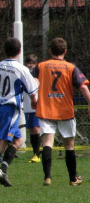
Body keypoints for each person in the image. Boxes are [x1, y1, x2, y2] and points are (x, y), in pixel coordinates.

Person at [32, 37, 90, 186]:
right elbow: (83, 87)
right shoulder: (71, 67)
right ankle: (72, 179)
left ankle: (47, 178)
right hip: (65, 110)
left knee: (47, 143)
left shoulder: (41, 66)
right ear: (65, 51)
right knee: (69, 145)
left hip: (46, 109)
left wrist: (34, 98)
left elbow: (33, 83)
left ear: (50, 51)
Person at [0, 38, 38, 190]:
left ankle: (3, 170)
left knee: (18, 140)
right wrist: (34, 102)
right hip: (10, 109)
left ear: (4, 50)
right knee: (1, 144)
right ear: (20, 51)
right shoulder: (22, 69)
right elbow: (33, 92)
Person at [23, 54, 42, 163]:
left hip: (35, 105)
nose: (30, 65)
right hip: (26, 105)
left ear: (35, 64)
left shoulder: (37, 74)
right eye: (28, 62)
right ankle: (35, 153)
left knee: (36, 128)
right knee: (31, 129)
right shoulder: (25, 74)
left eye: (32, 63)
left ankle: (37, 153)